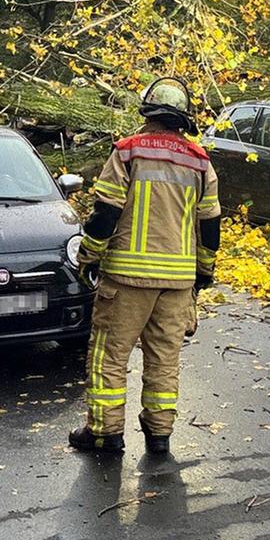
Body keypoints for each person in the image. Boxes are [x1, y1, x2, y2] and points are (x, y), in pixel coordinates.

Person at [69, 78, 221, 455]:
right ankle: (159, 434)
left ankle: (105, 433)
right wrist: (203, 272)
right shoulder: (200, 161)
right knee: (165, 357)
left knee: (110, 355)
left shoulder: (127, 152)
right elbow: (210, 225)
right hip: (177, 281)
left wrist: (88, 256)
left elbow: (105, 213)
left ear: (148, 112)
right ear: (183, 119)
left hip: (126, 278)